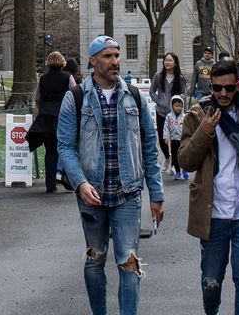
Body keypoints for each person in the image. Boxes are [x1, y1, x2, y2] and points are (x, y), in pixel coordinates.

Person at [58, 35, 164, 315]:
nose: (115, 61)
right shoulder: (76, 98)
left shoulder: (134, 96)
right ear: (93, 61)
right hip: (91, 195)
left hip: (127, 193)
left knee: (129, 262)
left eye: (117, 56)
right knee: (95, 260)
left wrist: (157, 194)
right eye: (107, 56)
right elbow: (65, 147)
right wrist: (80, 183)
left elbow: (150, 147)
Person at [176, 61, 239, 315]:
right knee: (211, 283)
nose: (223, 94)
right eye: (217, 88)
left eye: (229, 88)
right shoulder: (198, 115)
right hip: (213, 215)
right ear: (210, 86)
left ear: (238, 86)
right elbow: (185, 160)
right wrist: (205, 131)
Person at [34, 51, 75, 193]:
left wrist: (43, 108)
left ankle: (50, 184)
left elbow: (37, 98)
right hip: (63, 118)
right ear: (62, 62)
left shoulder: (43, 79)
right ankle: (66, 177)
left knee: (50, 151)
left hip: (45, 118)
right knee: (66, 149)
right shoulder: (68, 77)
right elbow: (74, 94)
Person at [163, 95, 188, 179]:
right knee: (175, 156)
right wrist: (166, 136)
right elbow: (166, 127)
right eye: (176, 106)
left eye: (180, 106)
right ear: (172, 106)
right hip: (173, 140)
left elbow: (188, 128)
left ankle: (184, 170)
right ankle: (177, 171)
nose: (178, 108)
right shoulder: (169, 117)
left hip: (183, 140)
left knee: (184, 156)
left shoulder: (184, 117)